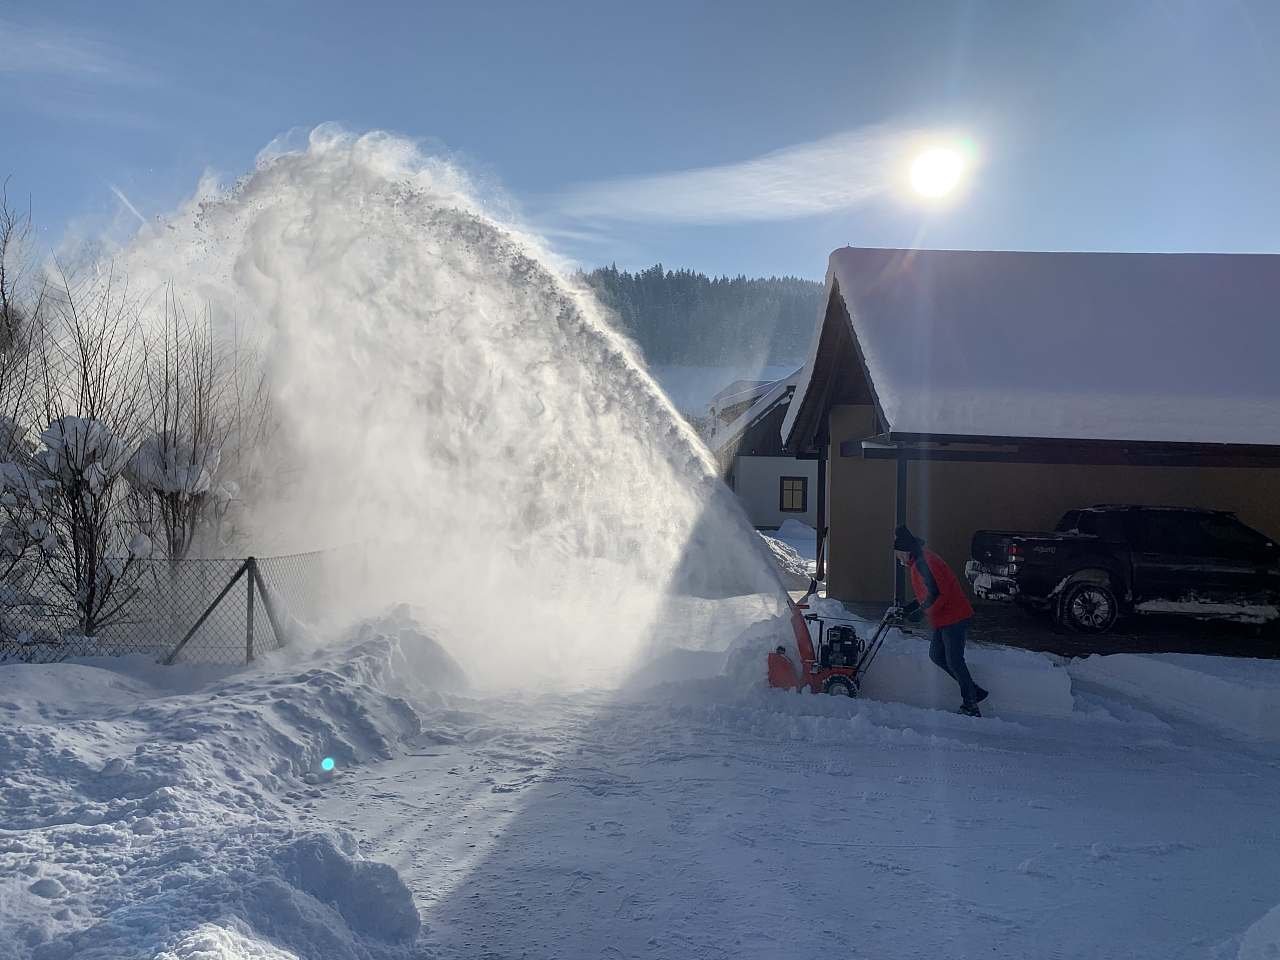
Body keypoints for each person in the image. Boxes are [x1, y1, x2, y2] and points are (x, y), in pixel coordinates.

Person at [892, 525, 989, 716]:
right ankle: (973, 690)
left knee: (954, 660)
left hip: (954, 616)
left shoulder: (923, 563)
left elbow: (938, 593)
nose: (898, 559)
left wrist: (921, 612)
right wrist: (910, 608)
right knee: (937, 655)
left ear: (905, 551)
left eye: (897, 555)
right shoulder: (919, 562)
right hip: (944, 617)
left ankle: (971, 704)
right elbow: (928, 593)